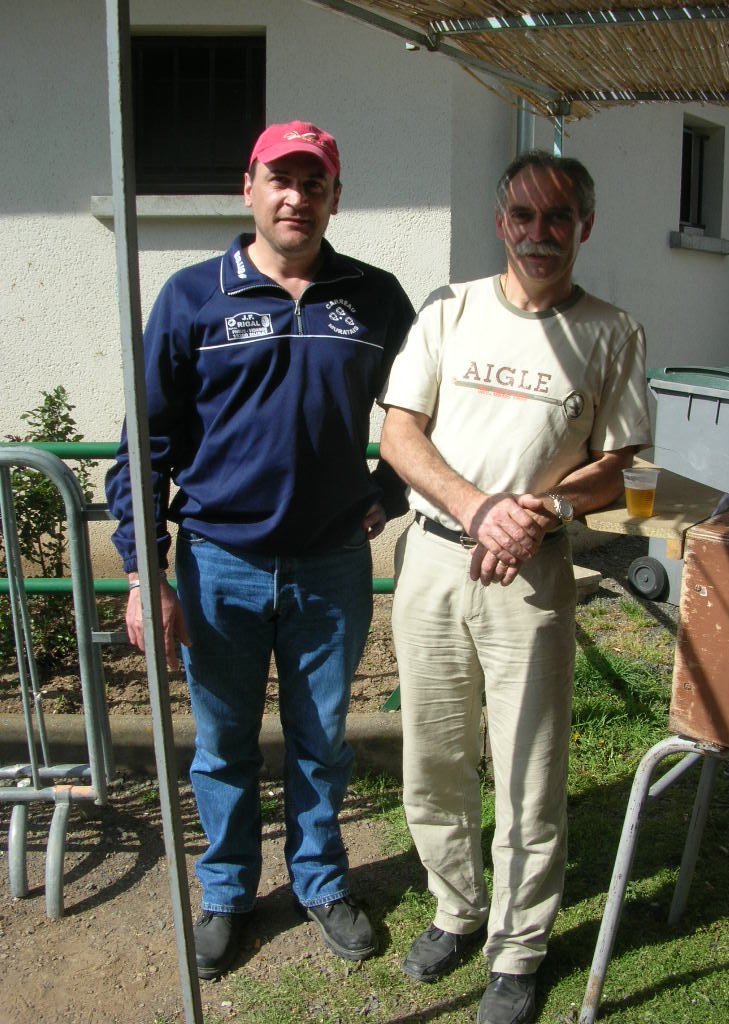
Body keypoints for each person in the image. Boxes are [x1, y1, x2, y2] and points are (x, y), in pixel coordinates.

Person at [106, 120, 414, 981]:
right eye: (281, 180)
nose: (296, 198)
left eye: (314, 184)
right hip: (219, 565)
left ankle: (320, 882)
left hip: (331, 565)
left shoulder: (375, 298)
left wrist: (387, 492)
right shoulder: (192, 297)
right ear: (248, 188)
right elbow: (145, 444)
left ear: (335, 198)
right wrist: (144, 570)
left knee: (323, 741)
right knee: (223, 744)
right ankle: (229, 891)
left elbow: (425, 409)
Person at [379, 151, 651, 1024]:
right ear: (502, 223)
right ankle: (456, 909)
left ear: (584, 226)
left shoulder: (612, 332)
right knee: (434, 756)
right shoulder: (449, 310)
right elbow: (399, 434)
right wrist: (477, 507)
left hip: (531, 572)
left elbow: (617, 464)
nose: (540, 233)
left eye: (558, 217)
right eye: (524, 216)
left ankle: (519, 948)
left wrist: (540, 512)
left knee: (530, 769)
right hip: (433, 559)